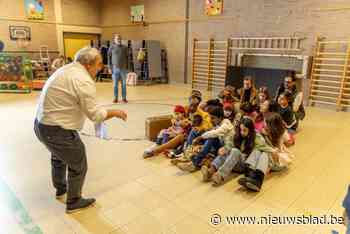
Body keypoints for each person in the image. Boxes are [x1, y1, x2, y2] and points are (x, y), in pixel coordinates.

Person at [34, 47, 127, 214]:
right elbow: (95, 115)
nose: (101, 68)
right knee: (79, 163)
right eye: (99, 64)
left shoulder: (66, 70)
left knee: (58, 157)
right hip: (57, 130)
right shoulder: (83, 80)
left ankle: (61, 189)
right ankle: (74, 201)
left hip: (41, 126)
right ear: (88, 64)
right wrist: (115, 112)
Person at [210, 117, 276, 186]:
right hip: (233, 162)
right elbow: (230, 144)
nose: (242, 132)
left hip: (244, 165)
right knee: (226, 152)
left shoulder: (256, 137)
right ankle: (211, 170)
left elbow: (265, 148)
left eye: (244, 130)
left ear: (250, 130)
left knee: (235, 151)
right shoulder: (237, 134)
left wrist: (273, 152)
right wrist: (225, 148)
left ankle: (220, 175)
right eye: (241, 130)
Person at [238, 113, 294, 192]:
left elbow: (289, 141)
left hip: (278, 161)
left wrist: (279, 144)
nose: (264, 124)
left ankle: (257, 181)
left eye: (266, 123)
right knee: (258, 150)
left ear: (273, 126)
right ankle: (250, 175)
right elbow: (261, 145)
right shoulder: (263, 131)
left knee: (264, 153)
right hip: (268, 158)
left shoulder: (281, 133)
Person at [176, 106, 234, 173]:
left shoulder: (226, 124)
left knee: (211, 138)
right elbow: (211, 131)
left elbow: (215, 132)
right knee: (196, 131)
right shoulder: (218, 124)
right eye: (210, 118)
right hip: (220, 148)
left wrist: (200, 137)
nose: (211, 120)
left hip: (226, 150)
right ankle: (188, 155)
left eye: (213, 118)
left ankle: (194, 163)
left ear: (220, 118)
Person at [108, 34, 129, 103]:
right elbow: (109, 58)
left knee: (124, 84)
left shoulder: (125, 48)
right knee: (115, 85)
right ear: (114, 40)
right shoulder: (111, 47)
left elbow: (128, 58)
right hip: (114, 68)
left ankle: (124, 98)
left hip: (123, 69)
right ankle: (115, 98)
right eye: (117, 39)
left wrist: (128, 68)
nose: (118, 40)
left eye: (120, 38)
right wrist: (109, 68)